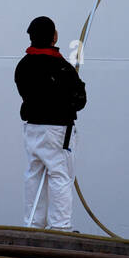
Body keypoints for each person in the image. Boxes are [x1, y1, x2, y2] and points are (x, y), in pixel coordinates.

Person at [14, 16, 88, 230]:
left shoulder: (23, 66)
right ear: (54, 37)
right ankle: (60, 227)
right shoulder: (62, 67)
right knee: (60, 175)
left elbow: (24, 92)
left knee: (34, 174)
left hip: (32, 128)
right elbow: (80, 100)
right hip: (58, 130)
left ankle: (32, 224)